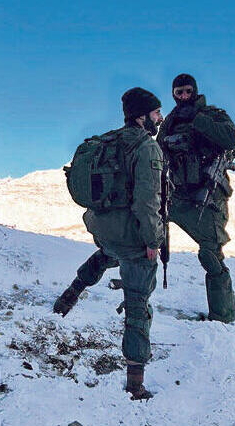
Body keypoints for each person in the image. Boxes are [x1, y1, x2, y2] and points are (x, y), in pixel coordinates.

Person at [54, 87, 166, 400]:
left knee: (106, 255)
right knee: (138, 298)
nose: (161, 118)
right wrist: (153, 241)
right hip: (130, 235)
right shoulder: (147, 147)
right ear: (143, 115)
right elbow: (147, 202)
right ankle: (135, 380)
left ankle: (68, 297)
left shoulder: (106, 141)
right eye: (157, 112)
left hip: (101, 228)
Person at [156, 73, 235, 322]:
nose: (183, 97)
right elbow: (158, 150)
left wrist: (198, 120)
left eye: (187, 92)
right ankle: (132, 291)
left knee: (211, 255)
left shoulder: (212, 115)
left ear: (195, 91)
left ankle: (223, 317)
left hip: (207, 196)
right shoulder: (169, 121)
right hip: (176, 194)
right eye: (178, 93)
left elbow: (231, 138)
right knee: (146, 236)